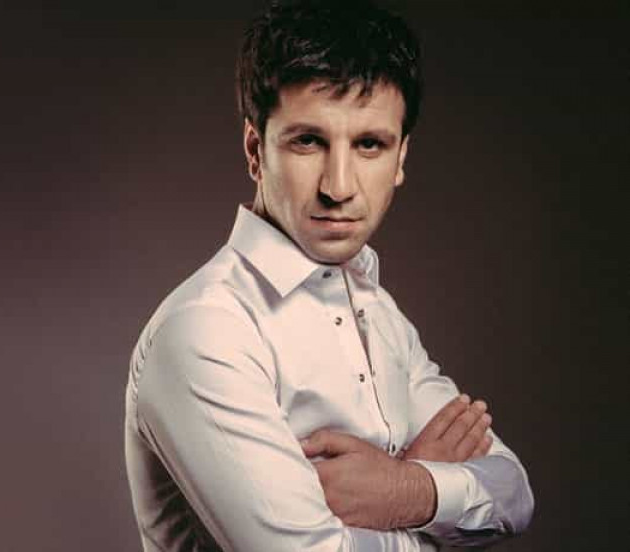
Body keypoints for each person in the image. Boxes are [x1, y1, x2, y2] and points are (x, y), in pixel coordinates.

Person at [124, 1, 534, 550]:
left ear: (401, 157)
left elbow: (513, 494)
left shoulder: (378, 313)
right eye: (308, 141)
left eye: (369, 144)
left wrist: (404, 488)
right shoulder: (208, 330)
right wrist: (434, 501)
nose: (338, 187)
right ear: (255, 149)